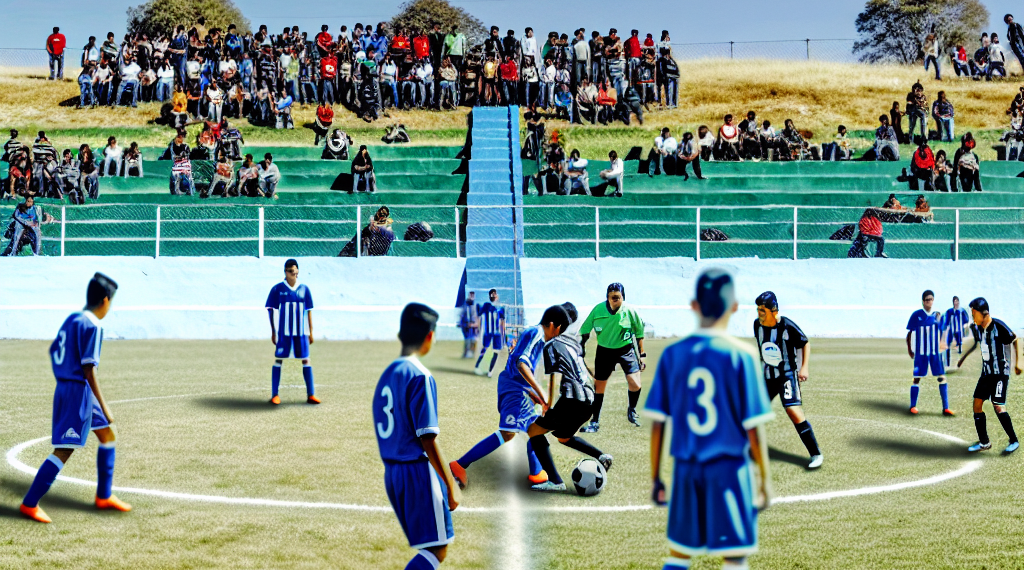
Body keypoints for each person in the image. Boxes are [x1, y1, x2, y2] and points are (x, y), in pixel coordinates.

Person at [646, 269, 773, 570]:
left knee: (680, 552)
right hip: (729, 470)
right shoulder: (742, 356)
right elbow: (753, 428)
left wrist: (656, 478)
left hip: (686, 468)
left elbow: (657, 424)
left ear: (694, 305)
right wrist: (764, 480)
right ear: (734, 307)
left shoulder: (673, 354)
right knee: (734, 555)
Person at [20, 273, 132, 524]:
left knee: (107, 435)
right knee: (64, 449)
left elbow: (54, 351)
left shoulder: (73, 319)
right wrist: (105, 406)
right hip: (78, 392)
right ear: (105, 301)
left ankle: (104, 496)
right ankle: (29, 503)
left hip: (72, 387)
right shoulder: (93, 325)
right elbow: (89, 369)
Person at [449, 305, 571, 491]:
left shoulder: (533, 333)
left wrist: (532, 393)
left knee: (534, 428)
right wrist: (541, 392)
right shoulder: (537, 334)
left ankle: (537, 473)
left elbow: (516, 362)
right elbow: (521, 363)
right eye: (560, 330)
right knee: (507, 433)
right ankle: (459, 465)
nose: (558, 334)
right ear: (553, 325)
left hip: (518, 387)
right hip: (514, 390)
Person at [374, 303, 459, 570]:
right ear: (429, 337)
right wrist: (450, 484)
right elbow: (427, 438)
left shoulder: (387, 375)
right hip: (416, 473)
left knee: (431, 547)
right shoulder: (420, 376)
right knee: (437, 549)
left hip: (393, 472)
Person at [527, 302, 613, 493]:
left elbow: (555, 378)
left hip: (572, 400)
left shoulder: (551, 345)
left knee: (533, 431)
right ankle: (602, 456)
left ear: (553, 326)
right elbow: (582, 367)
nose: (543, 331)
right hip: (588, 400)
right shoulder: (572, 343)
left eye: (544, 327)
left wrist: (547, 404)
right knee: (564, 437)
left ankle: (555, 481)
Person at [753, 291, 823, 468]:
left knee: (793, 411)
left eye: (762, 310)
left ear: (773, 310)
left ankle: (815, 454)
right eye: (758, 309)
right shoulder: (757, 325)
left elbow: (804, 342)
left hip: (786, 375)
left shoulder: (786, 326)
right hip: (767, 376)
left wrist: (803, 367)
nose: (759, 313)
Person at [579, 283, 646, 431]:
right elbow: (585, 329)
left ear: (623, 297)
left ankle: (632, 410)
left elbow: (639, 332)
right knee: (599, 386)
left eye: (618, 297)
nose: (615, 300)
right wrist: (582, 346)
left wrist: (642, 355)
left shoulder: (630, 311)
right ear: (607, 298)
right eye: (612, 297)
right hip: (604, 351)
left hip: (626, 349)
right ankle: (594, 421)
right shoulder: (598, 310)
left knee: (636, 384)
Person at [958, 298, 1019, 454]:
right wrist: (962, 358)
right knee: (977, 404)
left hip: (1000, 374)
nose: (973, 317)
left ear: (984, 313)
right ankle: (984, 442)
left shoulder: (998, 326)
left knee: (998, 406)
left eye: (974, 313)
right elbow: (974, 343)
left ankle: (1014, 440)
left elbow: (1015, 339)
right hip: (986, 374)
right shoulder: (978, 328)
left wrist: (1019, 363)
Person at [265, 259, 319, 405]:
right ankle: (275, 395)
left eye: (295, 271)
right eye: (290, 271)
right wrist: (274, 331)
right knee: (278, 360)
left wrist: (311, 332)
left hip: (301, 333)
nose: (293, 274)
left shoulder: (304, 289)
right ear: (285, 272)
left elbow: (308, 311)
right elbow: (270, 309)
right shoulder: (278, 289)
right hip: (284, 333)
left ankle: (311, 394)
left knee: (306, 360)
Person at [905, 290, 953, 416]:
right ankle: (913, 406)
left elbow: (943, 330)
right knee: (917, 379)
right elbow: (909, 334)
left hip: (934, 354)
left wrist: (943, 344)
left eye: (931, 299)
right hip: (921, 354)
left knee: (942, 378)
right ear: (923, 301)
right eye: (927, 300)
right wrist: (910, 349)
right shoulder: (916, 315)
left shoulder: (936, 316)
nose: (929, 302)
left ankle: (946, 408)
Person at [474, 289, 506, 378]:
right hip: (488, 332)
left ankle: (490, 371)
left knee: (496, 352)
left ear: (497, 296)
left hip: (497, 334)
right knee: (484, 349)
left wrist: (503, 335)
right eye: (492, 295)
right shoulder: (486, 306)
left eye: (494, 295)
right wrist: (479, 329)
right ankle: (477, 367)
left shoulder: (500, 308)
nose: (493, 296)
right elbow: (479, 317)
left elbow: (502, 322)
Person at [943, 296, 971, 369]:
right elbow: (946, 321)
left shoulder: (961, 311)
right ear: (953, 302)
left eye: (957, 301)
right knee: (947, 346)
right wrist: (945, 327)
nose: (956, 303)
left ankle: (959, 364)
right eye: (955, 301)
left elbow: (966, 319)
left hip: (959, 331)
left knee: (959, 345)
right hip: (951, 331)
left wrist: (962, 324)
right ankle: (947, 363)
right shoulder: (950, 311)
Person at [168, 131, 194, 196]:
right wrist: (180, 157)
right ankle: (177, 190)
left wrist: (183, 157)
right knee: (177, 176)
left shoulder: (185, 146)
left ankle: (191, 190)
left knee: (189, 176)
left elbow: (187, 155)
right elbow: (174, 157)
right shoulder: (173, 146)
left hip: (185, 164)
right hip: (177, 164)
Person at [459, 291, 480, 359]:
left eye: (472, 296)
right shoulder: (465, 305)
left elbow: (478, 316)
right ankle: (465, 354)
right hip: (467, 326)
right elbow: (462, 315)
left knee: (474, 340)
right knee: (467, 340)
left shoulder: (476, 305)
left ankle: (472, 354)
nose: (471, 297)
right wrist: (462, 324)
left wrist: (475, 324)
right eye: (470, 295)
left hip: (474, 326)